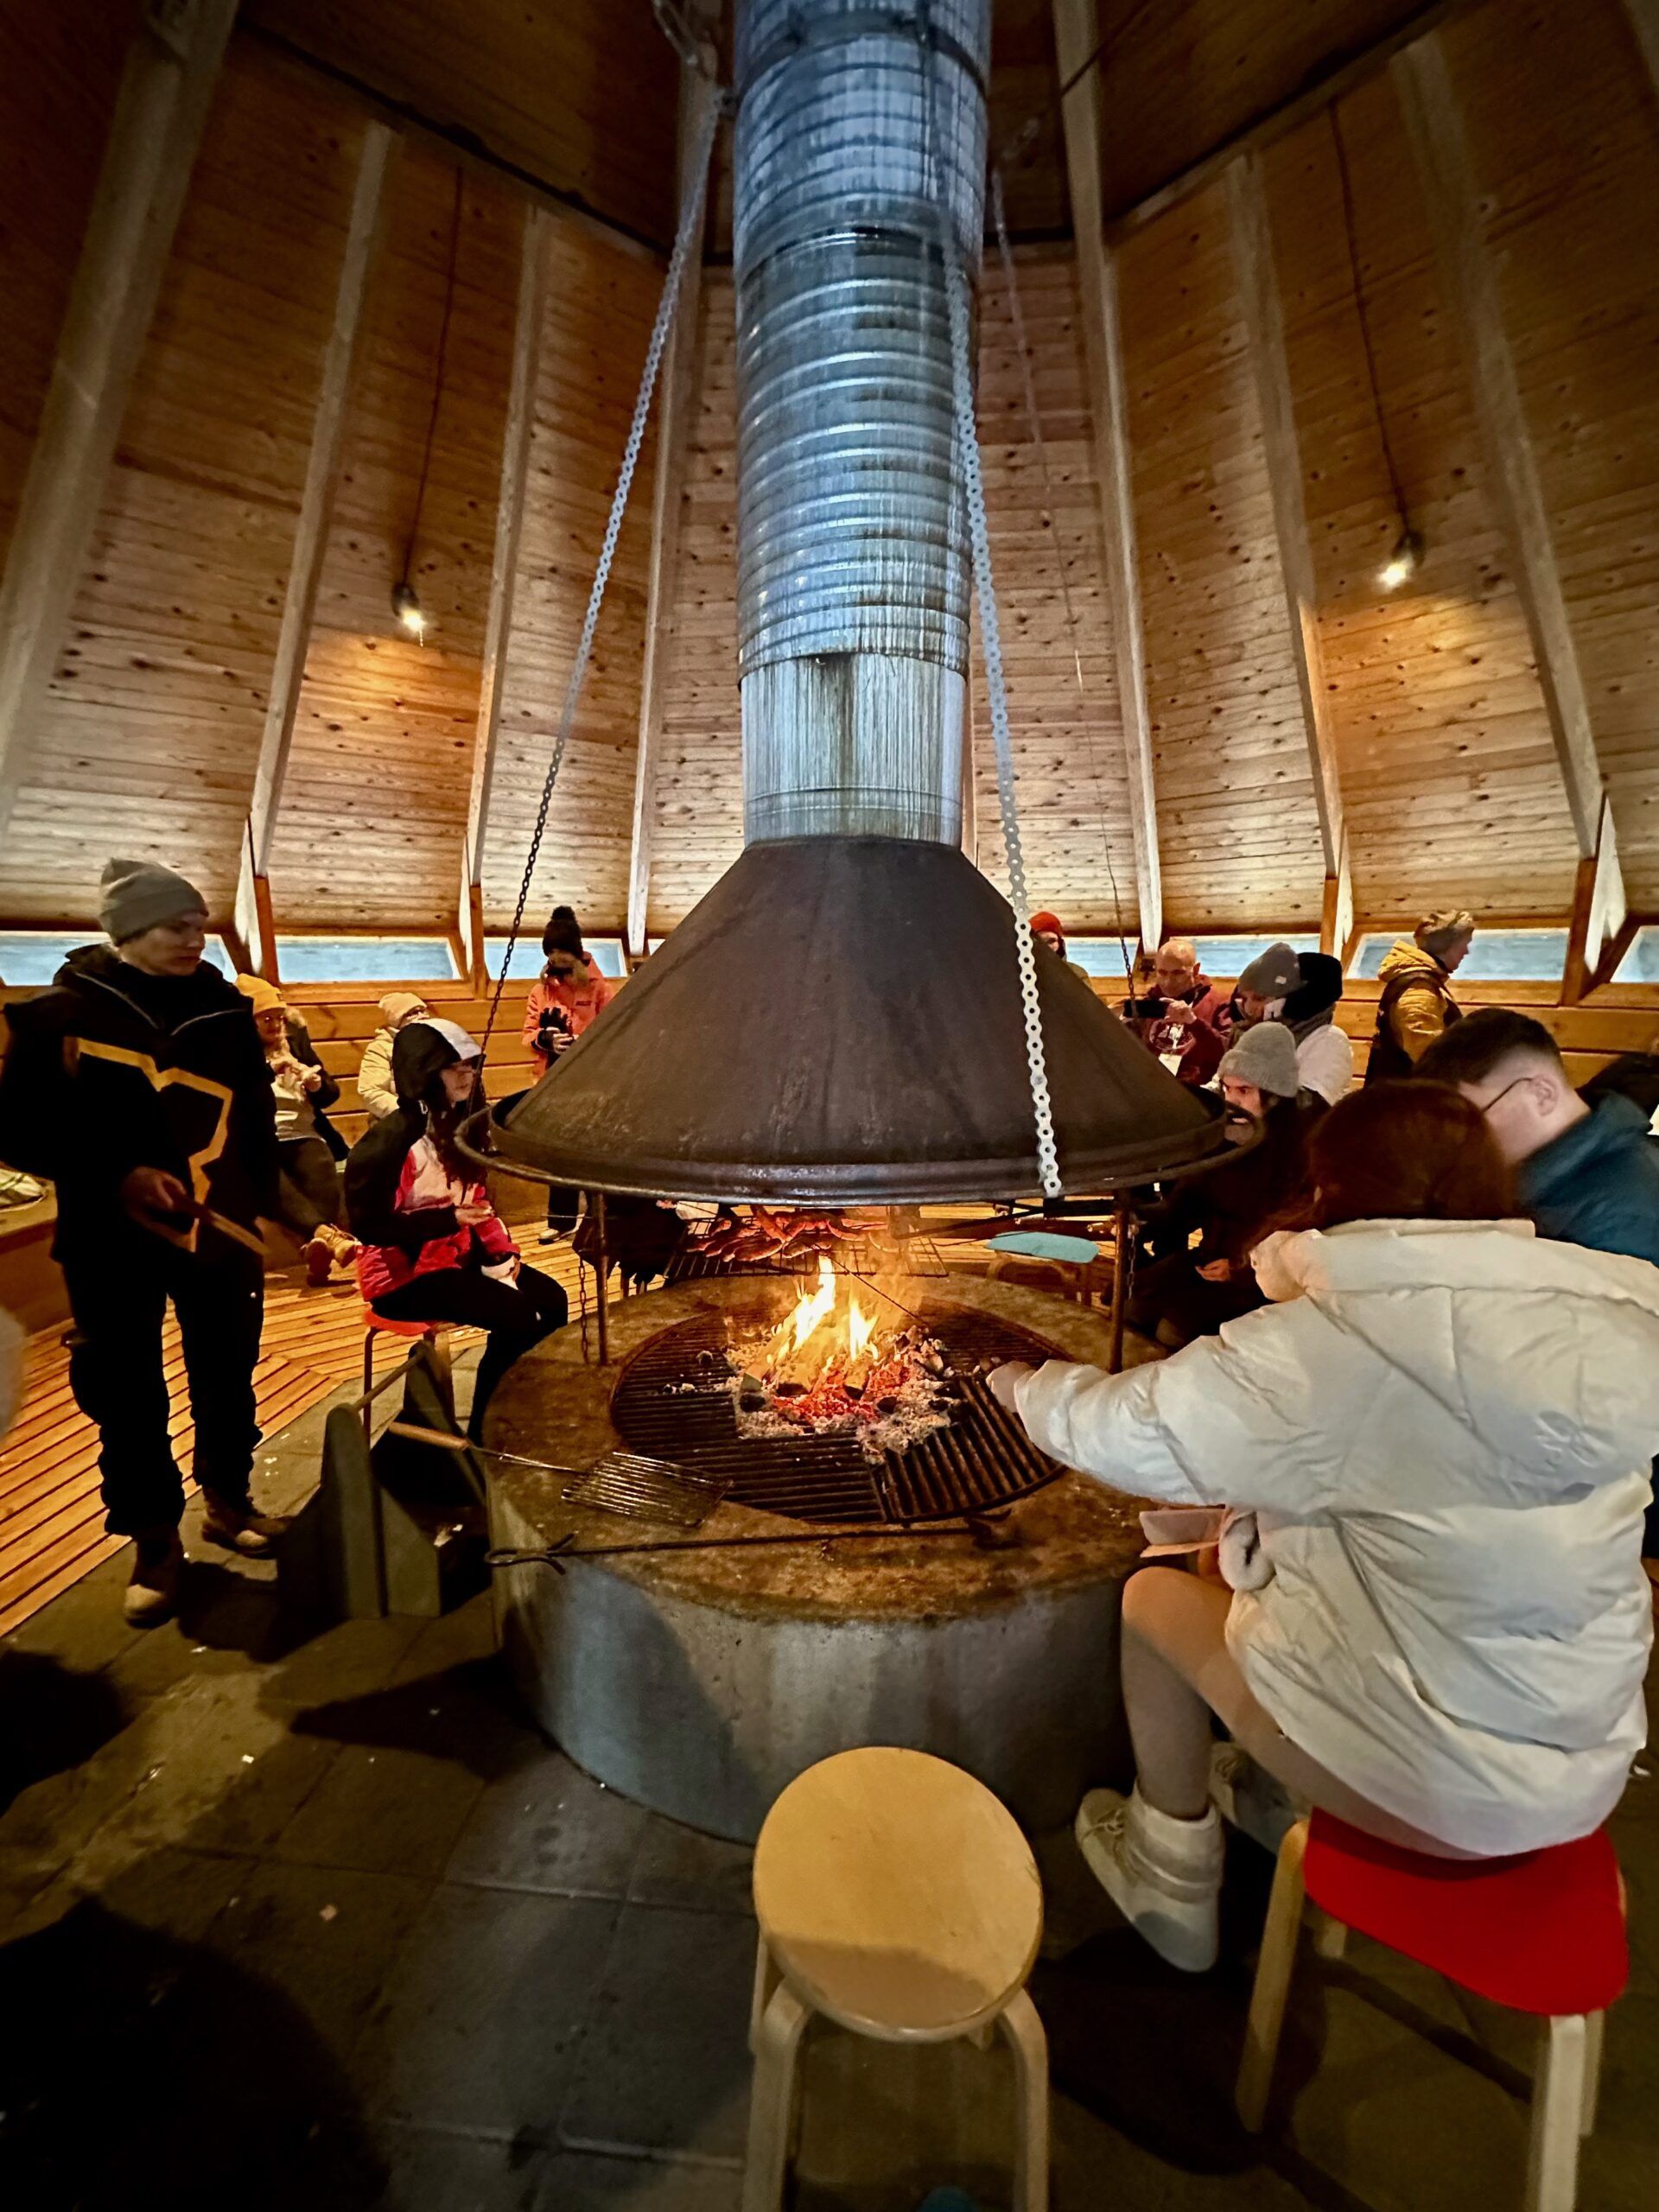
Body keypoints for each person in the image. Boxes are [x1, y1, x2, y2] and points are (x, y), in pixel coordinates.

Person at [989, 1084, 1659, 1972]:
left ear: (1331, 1186)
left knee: (1155, 1596)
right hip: (1581, 1762)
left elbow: (1125, 1432)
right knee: (1236, 1564)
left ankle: (1170, 1873)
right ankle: (1276, 1801)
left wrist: (1015, 1384)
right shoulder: (1607, 1314)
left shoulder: (1331, 1345)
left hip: (1441, 1788)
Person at [0, 859, 284, 1626]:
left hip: (216, 1232)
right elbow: (19, 1129)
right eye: (176, 925)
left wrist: (276, 1209)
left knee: (226, 1373)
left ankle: (229, 1499)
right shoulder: (61, 1017)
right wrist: (117, 1175)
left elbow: (253, 1118)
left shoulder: (223, 1012)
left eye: (199, 924)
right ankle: (154, 1541)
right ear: (128, 932)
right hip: (109, 1239)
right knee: (126, 1392)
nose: (196, 938)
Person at [345, 1018, 567, 1432]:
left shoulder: (464, 1129)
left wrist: (503, 1255)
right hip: (400, 1276)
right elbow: (372, 1227)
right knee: (516, 1315)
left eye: (471, 1064)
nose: (467, 1074)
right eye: (454, 1066)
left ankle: (521, 1401)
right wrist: (446, 1220)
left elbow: (478, 1203)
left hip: (455, 1258)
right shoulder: (397, 1144)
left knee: (553, 1301)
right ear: (424, 1073)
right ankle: (490, 1425)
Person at [1127, 1023, 1324, 1346]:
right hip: (1211, 1260)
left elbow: (1297, 1228)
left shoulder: (1302, 1146)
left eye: (1243, 1091)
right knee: (1133, 1305)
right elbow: (1192, 1196)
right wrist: (1142, 1220)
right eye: (1227, 1089)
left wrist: (1241, 1269)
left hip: (1259, 1280)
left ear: (1274, 1094)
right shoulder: (1231, 1134)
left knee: (1172, 1330)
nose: (1232, 1101)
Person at [1416, 1008, 1659, 1265]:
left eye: (1470, 1120)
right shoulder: (1547, 1187)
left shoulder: (1618, 1221)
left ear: (1542, 1095)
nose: (1457, 1144)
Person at [236, 976, 357, 1286]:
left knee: (322, 1171)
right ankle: (328, 1237)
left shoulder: (295, 1041)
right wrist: (267, 1072)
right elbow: (233, 1095)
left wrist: (316, 1085)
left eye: (279, 1017)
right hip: (256, 1136)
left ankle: (317, 1246)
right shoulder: (232, 1050)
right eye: (266, 1018)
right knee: (267, 1175)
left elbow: (331, 1094)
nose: (276, 1025)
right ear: (247, 1021)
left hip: (301, 1130)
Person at [522, 907, 617, 1240]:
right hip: (552, 1081)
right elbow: (527, 1034)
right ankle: (560, 1221)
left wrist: (582, 1043)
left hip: (592, 1081)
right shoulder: (541, 991)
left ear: (575, 954)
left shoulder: (599, 988)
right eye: (551, 956)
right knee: (556, 1152)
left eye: (561, 955)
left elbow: (615, 1031)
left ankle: (599, 1218)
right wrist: (544, 1039)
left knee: (592, 1151)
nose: (556, 963)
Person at [1232, 941, 1353, 1104]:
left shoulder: (1329, 1041)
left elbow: (1308, 1107)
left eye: (1259, 998)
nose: (1248, 1008)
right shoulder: (1251, 1037)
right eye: (1245, 999)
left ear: (1292, 1002)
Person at [1364, 908, 1474, 1081]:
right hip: (1407, 1100)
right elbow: (1429, 1060)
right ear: (1449, 945)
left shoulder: (1420, 981)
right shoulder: (1418, 991)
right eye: (1464, 944)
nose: (1466, 952)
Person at [1122, 937, 1232, 1087]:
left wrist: (1195, 1023)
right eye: (1162, 973)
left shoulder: (1219, 1003)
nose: (1168, 981)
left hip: (1198, 1096)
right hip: (1147, 1091)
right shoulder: (1148, 1003)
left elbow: (1230, 1056)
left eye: (1177, 973)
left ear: (1196, 970)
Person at [359, 991, 430, 1121]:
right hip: (398, 1120)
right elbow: (371, 1093)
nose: (422, 1016)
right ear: (397, 1020)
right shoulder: (381, 1048)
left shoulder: (436, 1042)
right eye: (413, 1013)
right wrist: (410, 1112)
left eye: (423, 1011)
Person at [1028, 911, 1090, 986]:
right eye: (1040, 942)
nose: (1046, 947)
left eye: (1051, 941)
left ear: (1060, 944)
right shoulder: (1017, 973)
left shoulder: (1076, 973)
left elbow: (1086, 997)